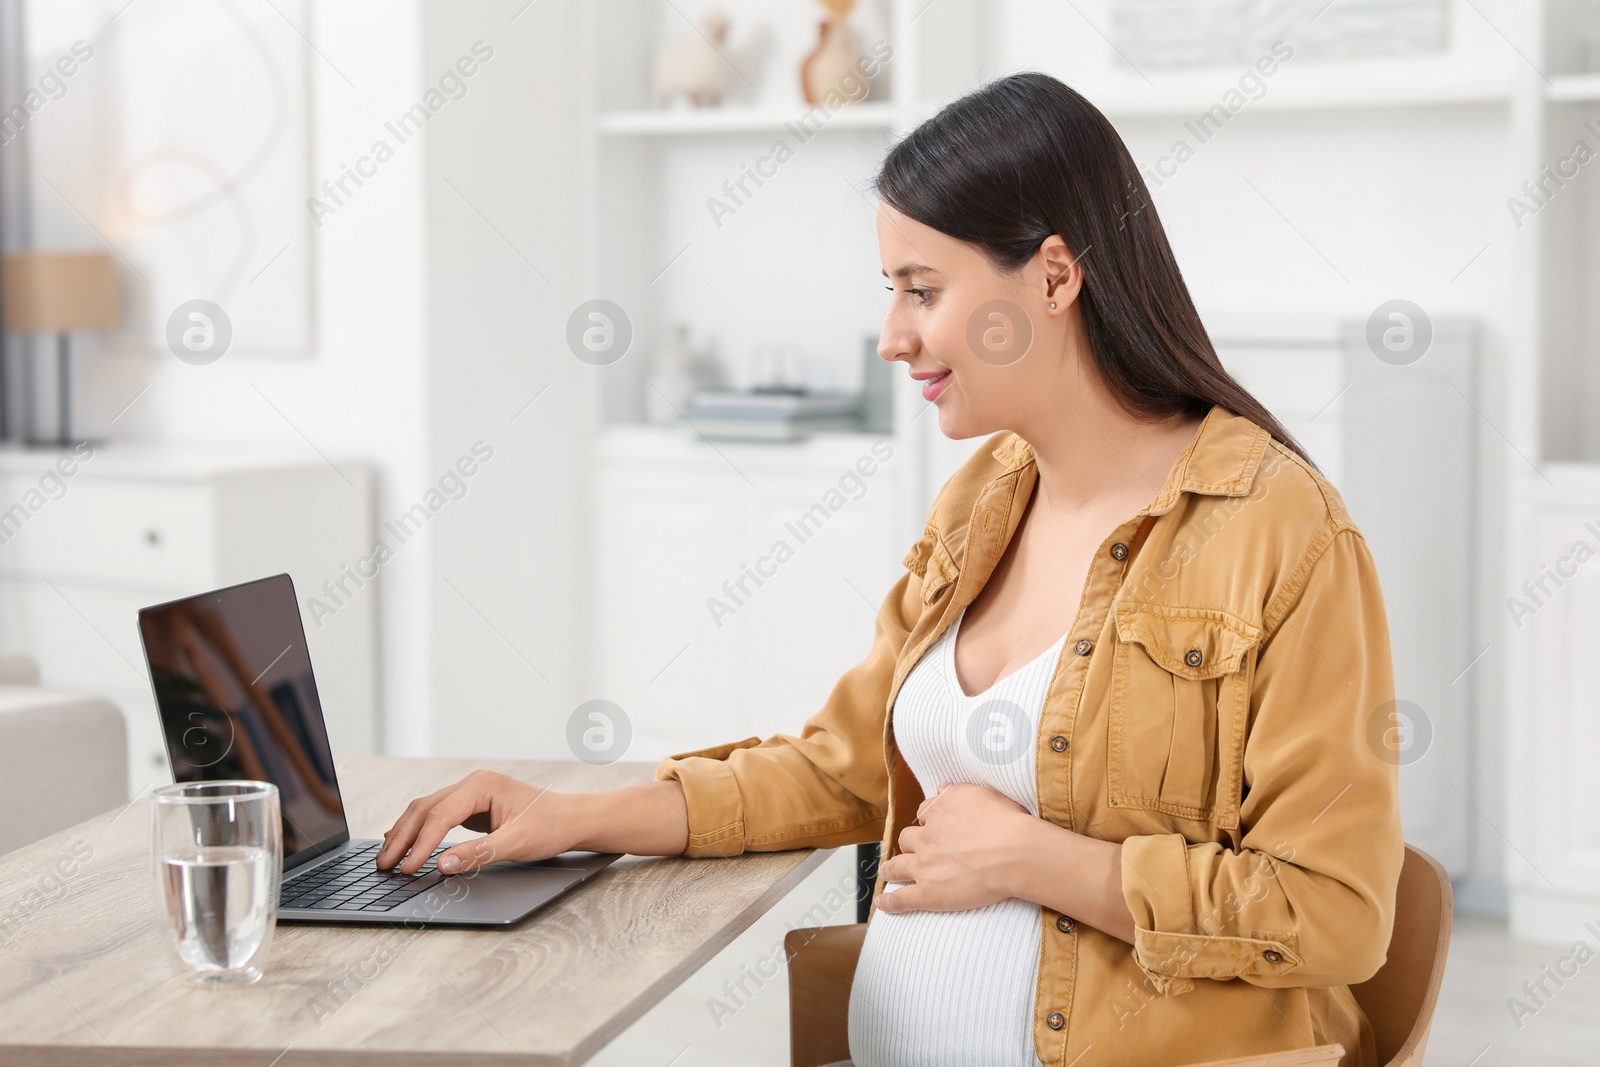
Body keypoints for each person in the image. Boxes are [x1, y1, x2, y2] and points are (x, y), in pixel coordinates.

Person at [378, 72, 1403, 1067]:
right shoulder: (985, 495)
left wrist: (1034, 859)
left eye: (923, 289)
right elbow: (840, 767)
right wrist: (572, 815)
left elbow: (1335, 912)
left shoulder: (1278, 531)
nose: (891, 336)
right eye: (890, 291)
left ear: (1052, 276)